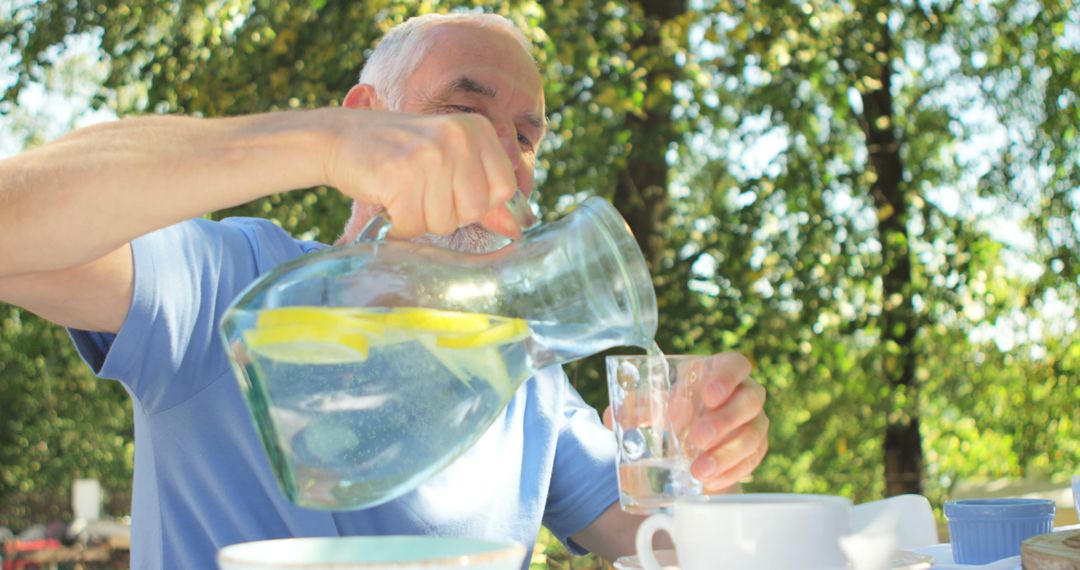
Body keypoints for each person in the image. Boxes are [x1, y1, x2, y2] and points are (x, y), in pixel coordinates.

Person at [0, 13, 769, 569]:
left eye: (526, 136)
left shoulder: (526, 375)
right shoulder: (228, 287)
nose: (503, 152)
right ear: (370, 120)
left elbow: (667, 545)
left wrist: (702, 444)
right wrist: (320, 143)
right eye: (463, 113)